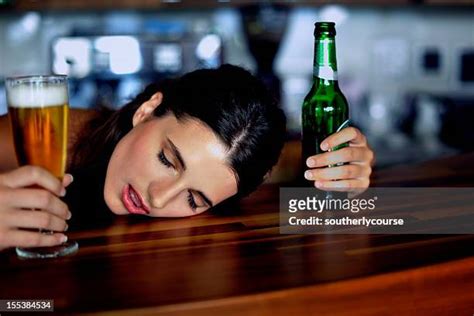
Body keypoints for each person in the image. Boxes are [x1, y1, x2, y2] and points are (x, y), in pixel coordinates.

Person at [0, 64, 374, 251]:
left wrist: (342, 170)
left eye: (194, 199)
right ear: (148, 110)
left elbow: (292, 170)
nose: (159, 198)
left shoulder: (228, 186)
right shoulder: (42, 139)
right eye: (167, 160)